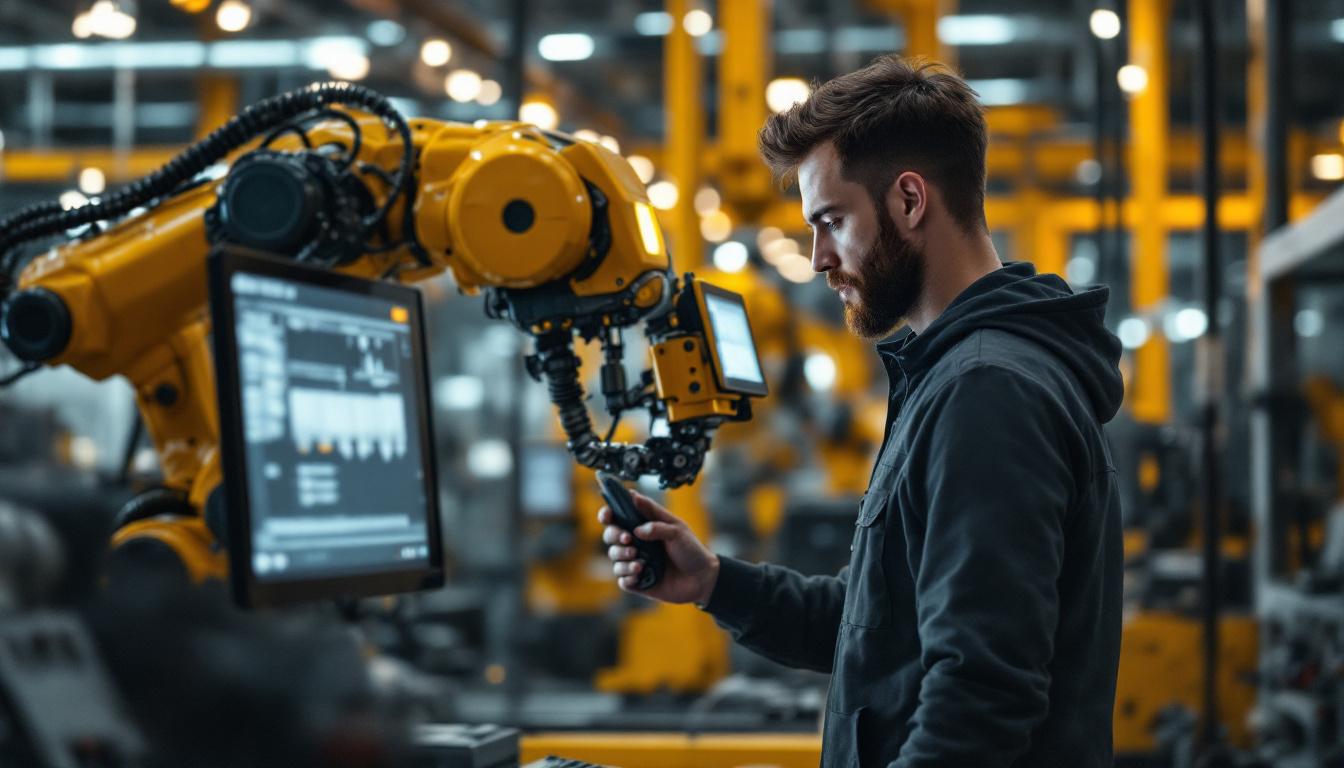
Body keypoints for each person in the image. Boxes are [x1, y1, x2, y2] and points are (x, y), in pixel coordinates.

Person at [600, 55, 1124, 767]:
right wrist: (714, 582)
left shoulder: (987, 391)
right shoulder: (954, 374)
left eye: (832, 221)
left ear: (910, 201)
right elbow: (881, 625)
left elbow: (980, 697)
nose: (818, 258)